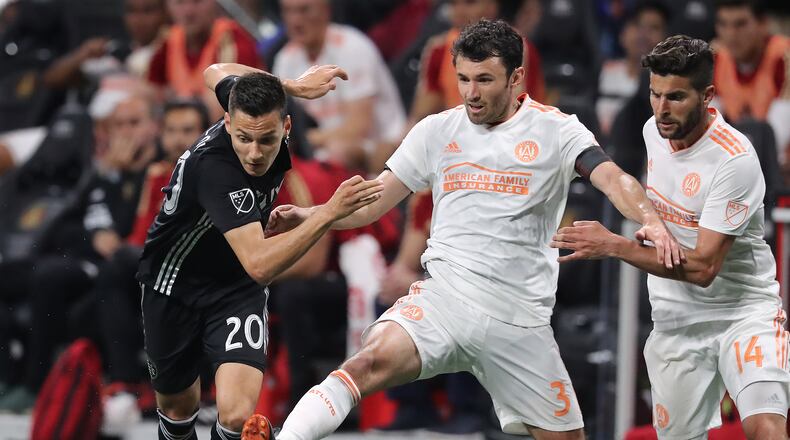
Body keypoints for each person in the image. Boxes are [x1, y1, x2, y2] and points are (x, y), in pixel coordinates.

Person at [260, 20, 682, 440]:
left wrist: (651, 220)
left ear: (516, 77)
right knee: (365, 363)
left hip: (519, 322)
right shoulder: (436, 131)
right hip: (444, 301)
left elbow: (614, 179)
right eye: (463, 79)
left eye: (484, 80)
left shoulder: (558, 130)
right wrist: (315, 215)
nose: (471, 93)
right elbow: (374, 202)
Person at [551, 35, 790, 440]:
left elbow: (703, 268)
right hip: (675, 322)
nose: (662, 109)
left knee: (765, 427)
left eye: (676, 97)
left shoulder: (734, 160)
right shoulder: (653, 132)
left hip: (742, 314)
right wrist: (651, 222)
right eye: (655, 94)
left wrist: (614, 245)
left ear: (707, 96)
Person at [135, 60, 382, 440]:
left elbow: (214, 70)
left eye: (267, 140)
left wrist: (290, 86)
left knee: (236, 416)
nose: (253, 153)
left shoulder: (244, 104)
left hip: (235, 288)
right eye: (243, 139)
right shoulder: (216, 170)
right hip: (174, 286)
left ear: (287, 127)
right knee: (178, 409)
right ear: (227, 123)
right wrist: (328, 212)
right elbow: (261, 264)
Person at [273, 0, 406, 171]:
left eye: (304, 10)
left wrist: (305, 138)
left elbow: (358, 127)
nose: (295, 21)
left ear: (326, 10)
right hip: (321, 149)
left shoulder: (352, 46)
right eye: (288, 11)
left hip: (379, 145)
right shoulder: (285, 59)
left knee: (338, 152)